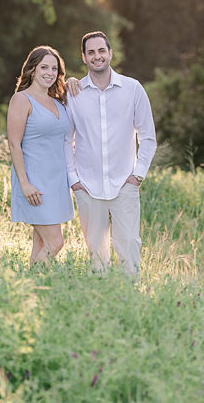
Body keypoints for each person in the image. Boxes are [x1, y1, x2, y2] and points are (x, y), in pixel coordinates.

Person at [65, 31, 157, 274]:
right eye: (91, 52)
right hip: (87, 186)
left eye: (101, 51)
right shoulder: (73, 94)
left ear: (110, 53)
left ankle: (132, 300)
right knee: (96, 251)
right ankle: (99, 302)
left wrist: (138, 176)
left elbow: (147, 137)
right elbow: (66, 140)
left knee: (129, 246)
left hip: (124, 184)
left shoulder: (133, 89)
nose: (97, 57)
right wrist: (73, 180)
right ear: (83, 57)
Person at [7, 46, 75, 265]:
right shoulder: (21, 99)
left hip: (56, 182)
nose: (50, 72)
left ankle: (34, 291)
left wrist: (73, 82)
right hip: (34, 183)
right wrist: (24, 184)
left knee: (41, 244)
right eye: (44, 67)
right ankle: (28, 285)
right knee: (55, 243)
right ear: (32, 69)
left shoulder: (58, 101)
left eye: (54, 68)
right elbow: (14, 144)